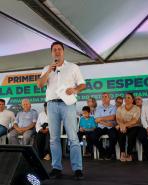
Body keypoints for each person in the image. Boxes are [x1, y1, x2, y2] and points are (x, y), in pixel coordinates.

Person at [37, 41, 86, 180]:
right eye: (54, 50)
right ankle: (56, 168)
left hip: (68, 104)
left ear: (63, 51)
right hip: (52, 105)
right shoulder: (47, 68)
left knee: (73, 137)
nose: (57, 51)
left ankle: (77, 169)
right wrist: (49, 71)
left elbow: (83, 84)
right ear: (52, 53)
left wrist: (75, 89)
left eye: (59, 49)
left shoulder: (73, 67)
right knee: (53, 138)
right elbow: (40, 84)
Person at [90, 93, 117, 160]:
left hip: (110, 128)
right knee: (92, 136)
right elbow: (96, 120)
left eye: (105, 97)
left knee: (114, 137)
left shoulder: (114, 107)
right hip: (101, 127)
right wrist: (107, 122)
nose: (104, 98)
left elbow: (113, 117)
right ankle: (102, 151)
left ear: (109, 98)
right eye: (102, 97)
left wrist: (101, 118)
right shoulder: (98, 108)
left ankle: (109, 153)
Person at [116, 93, 141, 162]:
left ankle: (129, 154)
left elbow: (134, 120)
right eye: (126, 97)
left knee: (131, 135)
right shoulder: (120, 108)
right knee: (120, 133)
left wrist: (124, 125)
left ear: (133, 100)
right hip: (123, 126)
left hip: (133, 126)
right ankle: (123, 153)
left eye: (129, 98)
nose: (126, 99)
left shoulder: (137, 108)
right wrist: (121, 126)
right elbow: (118, 119)